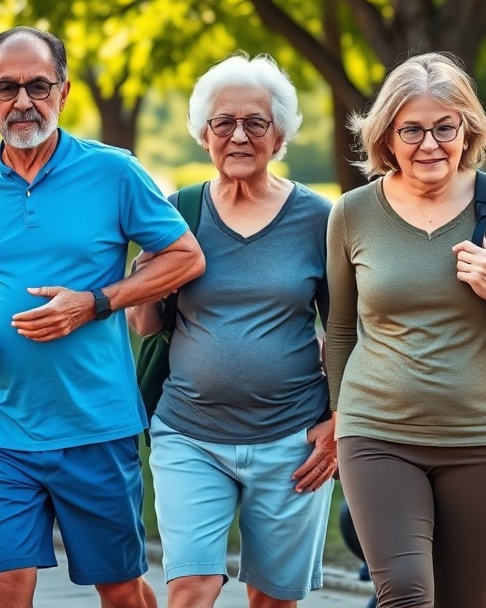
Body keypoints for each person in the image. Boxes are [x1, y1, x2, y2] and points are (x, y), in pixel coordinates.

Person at [0, 26, 206, 608]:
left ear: (64, 91)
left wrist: (95, 302)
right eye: (7, 87)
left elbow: (185, 257)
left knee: (121, 589)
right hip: (0, 429)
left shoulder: (114, 172)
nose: (23, 101)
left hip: (95, 425)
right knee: (7, 586)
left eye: (38, 86)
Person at [324, 52, 486, 608]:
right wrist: (341, 416)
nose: (430, 143)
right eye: (411, 129)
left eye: (445, 127)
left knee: (465, 599)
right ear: (387, 135)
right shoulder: (352, 213)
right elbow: (340, 328)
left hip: (484, 440)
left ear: (468, 129)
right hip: (378, 435)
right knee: (407, 593)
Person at [126, 54, 336, 608]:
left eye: (255, 123)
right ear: (203, 134)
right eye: (223, 123)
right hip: (189, 432)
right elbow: (146, 326)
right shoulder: (178, 212)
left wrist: (339, 421)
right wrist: (147, 271)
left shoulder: (319, 218)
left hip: (293, 438)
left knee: (272, 599)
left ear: (280, 134)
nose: (238, 136)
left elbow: (345, 332)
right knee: (191, 588)